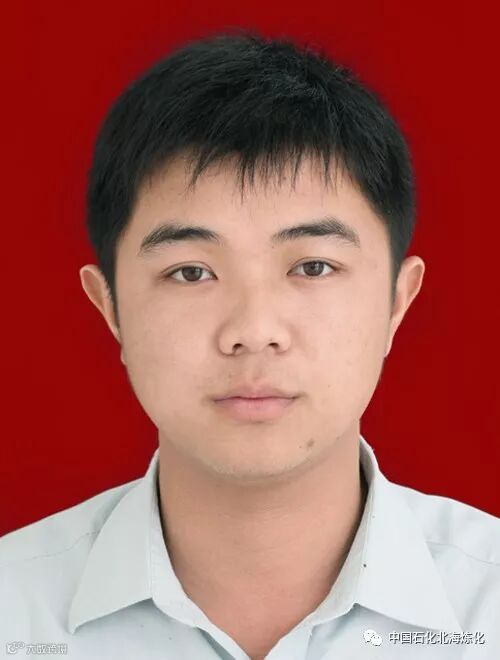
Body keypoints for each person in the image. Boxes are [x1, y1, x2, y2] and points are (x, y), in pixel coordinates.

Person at [1, 29, 498, 660]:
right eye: (190, 272)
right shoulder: (13, 607)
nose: (254, 329)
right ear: (111, 308)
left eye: (313, 267)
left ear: (397, 301)